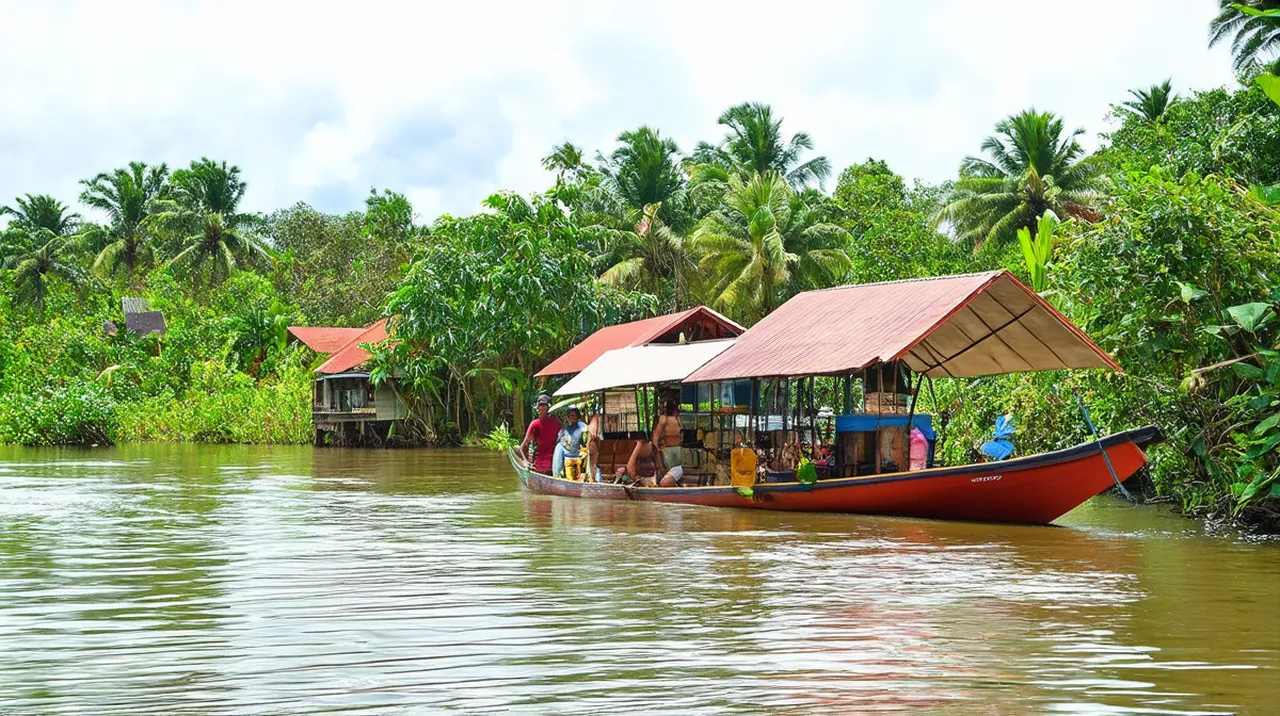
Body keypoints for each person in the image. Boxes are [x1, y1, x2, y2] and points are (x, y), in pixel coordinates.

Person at [519, 395, 562, 474]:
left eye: (544, 406)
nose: (542, 409)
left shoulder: (557, 423)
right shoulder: (535, 424)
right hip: (538, 466)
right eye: (540, 406)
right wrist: (526, 462)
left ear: (549, 408)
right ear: (537, 408)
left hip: (554, 466)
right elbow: (522, 448)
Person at [552, 406, 588, 478]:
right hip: (567, 455)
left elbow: (585, 443)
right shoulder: (566, 429)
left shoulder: (582, 427)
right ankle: (556, 475)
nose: (572, 417)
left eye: (573, 415)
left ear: (577, 416)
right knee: (558, 447)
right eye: (570, 415)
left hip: (579, 455)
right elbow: (559, 440)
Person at [652, 401, 683, 482]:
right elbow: (656, 434)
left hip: (678, 448)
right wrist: (656, 448)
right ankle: (668, 482)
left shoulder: (678, 419)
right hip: (667, 449)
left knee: (678, 470)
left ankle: (676, 483)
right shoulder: (663, 419)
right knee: (670, 471)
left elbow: (682, 432)